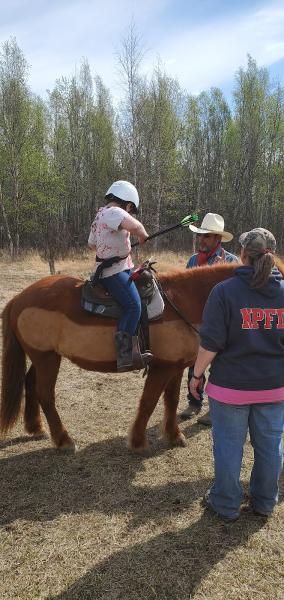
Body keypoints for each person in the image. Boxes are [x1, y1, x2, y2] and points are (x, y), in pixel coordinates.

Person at [190, 227, 284, 522]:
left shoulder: (224, 291)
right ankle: (265, 501)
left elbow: (211, 343)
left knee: (229, 448)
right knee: (270, 447)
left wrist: (196, 375)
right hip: (275, 387)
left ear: (241, 254)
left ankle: (226, 503)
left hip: (230, 389)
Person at [88, 180, 153, 372]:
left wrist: (113, 245)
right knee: (134, 306)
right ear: (129, 204)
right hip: (114, 272)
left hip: (114, 268)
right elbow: (137, 227)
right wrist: (142, 236)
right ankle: (125, 355)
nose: (130, 212)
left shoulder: (99, 215)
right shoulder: (114, 212)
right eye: (131, 209)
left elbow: (91, 244)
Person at [180, 213, 238, 424]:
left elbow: (236, 295)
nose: (201, 240)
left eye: (207, 236)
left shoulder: (231, 262)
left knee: (220, 367)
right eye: (201, 235)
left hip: (222, 323)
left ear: (217, 239)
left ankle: (215, 409)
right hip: (198, 322)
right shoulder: (193, 260)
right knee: (195, 365)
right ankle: (193, 403)